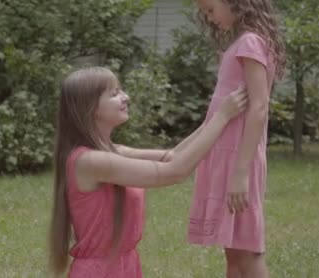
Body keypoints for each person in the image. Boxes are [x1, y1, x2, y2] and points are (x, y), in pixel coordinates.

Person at [48, 66, 248, 277]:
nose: (126, 97)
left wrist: (215, 117)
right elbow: (176, 172)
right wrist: (223, 117)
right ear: (90, 107)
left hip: (125, 266)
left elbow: (173, 157)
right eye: (114, 93)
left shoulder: (114, 152)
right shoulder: (90, 161)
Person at [187, 0, 287, 278]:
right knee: (233, 256)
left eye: (211, 10)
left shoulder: (250, 42)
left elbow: (259, 107)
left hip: (238, 163)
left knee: (248, 256)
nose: (210, 18)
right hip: (227, 160)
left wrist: (240, 173)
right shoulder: (242, 44)